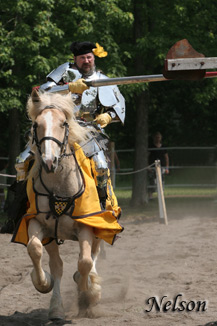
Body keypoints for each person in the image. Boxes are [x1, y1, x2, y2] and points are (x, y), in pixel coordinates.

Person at [1, 41, 125, 233]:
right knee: (21, 161)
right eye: (82, 57)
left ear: (94, 58)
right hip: (57, 125)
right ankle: (16, 213)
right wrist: (68, 87)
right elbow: (40, 92)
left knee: (100, 166)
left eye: (89, 57)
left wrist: (108, 116)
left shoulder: (102, 78)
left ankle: (103, 211)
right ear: (75, 59)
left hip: (87, 130)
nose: (87, 60)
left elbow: (119, 105)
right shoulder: (63, 73)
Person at [148, 132, 169, 199]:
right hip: (152, 166)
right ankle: (150, 195)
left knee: (161, 180)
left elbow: (166, 157)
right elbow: (146, 156)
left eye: (159, 137)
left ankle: (161, 195)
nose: (157, 139)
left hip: (161, 166)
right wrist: (148, 166)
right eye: (156, 137)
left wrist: (167, 168)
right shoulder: (151, 146)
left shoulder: (163, 147)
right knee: (152, 181)